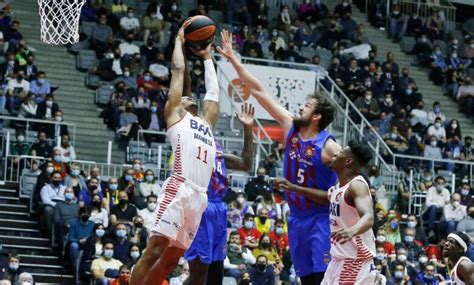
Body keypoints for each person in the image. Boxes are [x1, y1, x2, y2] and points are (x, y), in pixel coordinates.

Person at [217, 29, 340, 284]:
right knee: (305, 278)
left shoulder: (329, 147)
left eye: (306, 107)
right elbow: (260, 91)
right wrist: (233, 59)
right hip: (295, 217)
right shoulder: (289, 126)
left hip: (319, 218)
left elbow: (346, 186)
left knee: (322, 277)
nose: (299, 108)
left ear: (316, 116)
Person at [130, 20, 219, 285]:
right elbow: (178, 69)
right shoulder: (175, 115)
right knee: (155, 248)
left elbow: (213, 92)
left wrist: (207, 58)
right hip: (179, 188)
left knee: (172, 259)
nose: (190, 97)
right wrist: (179, 42)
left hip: (200, 197)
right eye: (185, 97)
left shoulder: (206, 122)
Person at [184, 80, 255, 285]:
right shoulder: (189, 137)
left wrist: (248, 129)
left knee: (216, 271)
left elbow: (245, 164)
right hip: (201, 206)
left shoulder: (215, 145)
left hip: (219, 209)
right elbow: (184, 98)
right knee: (199, 274)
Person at [318, 141, 376, 284]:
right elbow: (326, 197)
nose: (335, 154)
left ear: (348, 161)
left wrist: (351, 231)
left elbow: (368, 217)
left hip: (355, 262)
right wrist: (294, 188)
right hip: (337, 261)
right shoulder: (339, 186)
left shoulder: (357, 185)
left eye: (340, 153)